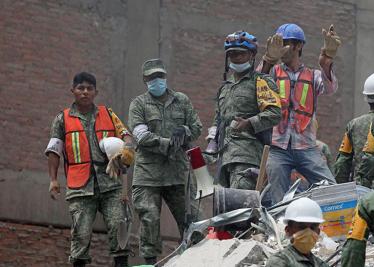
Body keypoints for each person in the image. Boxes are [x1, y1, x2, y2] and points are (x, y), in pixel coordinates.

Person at [45, 72, 135, 267]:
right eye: (80, 88)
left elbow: (126, 134)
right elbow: (54, 151)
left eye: (89, 89)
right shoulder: (62, 119)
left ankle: (121, 263)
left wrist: (127, 148)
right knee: (81, 233)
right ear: (73, 91)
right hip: (80, 188)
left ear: (96, 92)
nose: (85, 92)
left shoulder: (108, 114)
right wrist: (53, 180)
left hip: (110, 183)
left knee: (119, 224)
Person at [257, 23, 341, 207]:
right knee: (277, 199)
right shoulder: (272, 72)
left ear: (298, 46)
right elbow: (256, 83)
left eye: (285, 43)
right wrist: (268, 60)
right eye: (278, 43)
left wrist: (326, 64)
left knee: (332, 190)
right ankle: (280, 230)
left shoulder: (313, 76)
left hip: (306, 148)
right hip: (278, 147)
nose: (282, 48)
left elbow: (330, 88)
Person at [128, 58, 202, 264]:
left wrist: (184, 130)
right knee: (149, 218)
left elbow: (197, 127)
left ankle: (195, 260)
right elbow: (140, 135)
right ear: (145, 80)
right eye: (152, 77)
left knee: (193, 221)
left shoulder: (182, 100)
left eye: (160, 76)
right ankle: (150, 262)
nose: (157, 80)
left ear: (165, 77)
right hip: (148, 176)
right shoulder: (138, 104)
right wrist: (168, 143)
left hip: (178, 173)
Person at [207, 31, 281, 190]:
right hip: (224, 157)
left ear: (251, 56)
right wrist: (212, 139)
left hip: (247, 156)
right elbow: (219, 118)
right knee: (225, 209)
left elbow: (274, 114)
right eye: (232, 54)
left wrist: (249, 123)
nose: (236, 58)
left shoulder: (261, 81)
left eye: (241, 54)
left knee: (241, 207)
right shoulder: (224, 87)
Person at [333, 72, 374, 186]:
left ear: (366, 98)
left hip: (361, 188)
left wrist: (340, 189)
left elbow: (342, 162)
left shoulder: (354, 124)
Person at [266, 197, 328, 267]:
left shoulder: (320, 264)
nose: (308, 232)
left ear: (318, 232)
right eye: (302, 227)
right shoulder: (279, 262)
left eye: (312, 227)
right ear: (288, 230)